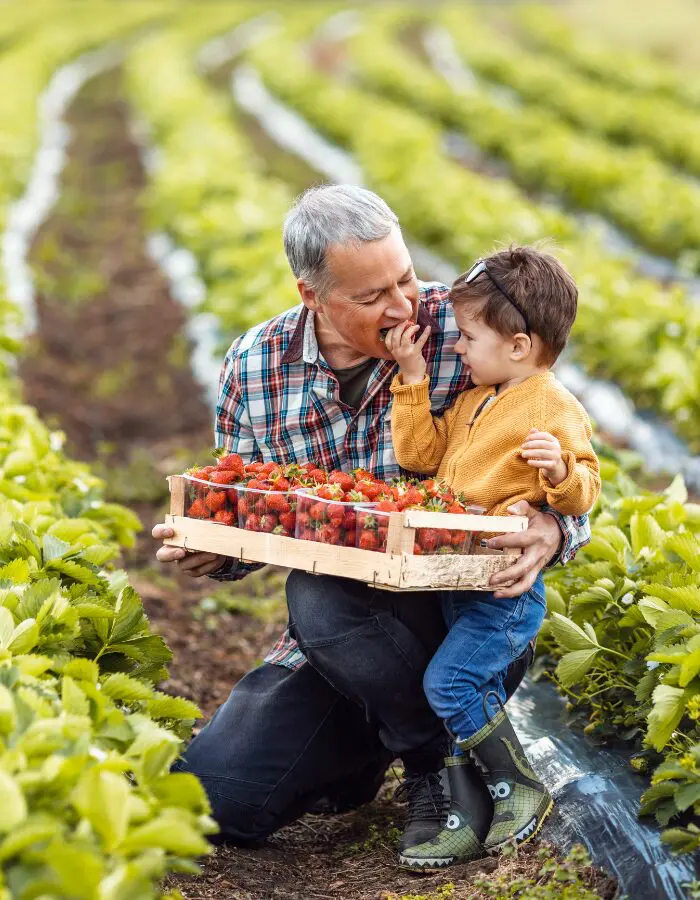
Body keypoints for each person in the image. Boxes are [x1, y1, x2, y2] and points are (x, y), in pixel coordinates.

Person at [151, 186, 591, 863]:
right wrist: (214, 547)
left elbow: (572, 465)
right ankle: (377, 748)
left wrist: (556, 531)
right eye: (371, 296)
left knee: (314, 589)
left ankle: (429, 773)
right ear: (312, 296)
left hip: (453, 618)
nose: (404, 304)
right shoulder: (254, 368)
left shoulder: (472, 329)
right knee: (215, 801)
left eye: (406, 276)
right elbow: (253, 507)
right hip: (336, 644)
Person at [386, 245, 600, 867]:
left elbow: (586, 487)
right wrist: (410, 378)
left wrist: (559, 473)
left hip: (504, 589)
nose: (457, 348)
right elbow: (421, 458)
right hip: (460, 580)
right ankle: (470, 807)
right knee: (461, 690)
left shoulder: (553, 408)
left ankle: (520, 787)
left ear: (518, 345)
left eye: (468, 337)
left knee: (449, 683)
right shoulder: (474, 400)